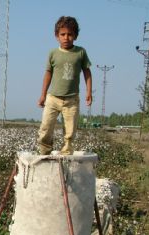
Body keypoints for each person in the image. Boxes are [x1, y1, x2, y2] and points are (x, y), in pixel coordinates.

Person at [37, 16, 92, 155]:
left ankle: (66, 153)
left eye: (70, 34)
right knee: (46, 127)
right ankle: (45, 151)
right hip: (53, 98)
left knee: (70, 131)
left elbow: (87, 72)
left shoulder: (80, 52)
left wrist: (89, 92)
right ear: (57, 36)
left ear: (75, 36)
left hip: (71, 100)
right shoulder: (53, 53)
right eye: (63, 34)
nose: (66, 38)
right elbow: (48, 74)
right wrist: (43, 95)